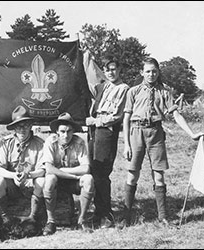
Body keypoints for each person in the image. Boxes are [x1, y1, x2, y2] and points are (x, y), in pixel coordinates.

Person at [122, 57, 204, 227]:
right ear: (142, 72)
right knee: (132, 174)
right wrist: (126, 144)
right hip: (136, 132)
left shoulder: (165, 92)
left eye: (154, 71)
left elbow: (176, 115)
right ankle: (126, 216)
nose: (151, 74)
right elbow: (126, 118)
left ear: (158, 72)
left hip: (156, 133)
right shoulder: (133, 91)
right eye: (147, 71)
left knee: (158, 175)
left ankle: (163, 217)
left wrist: (192, 134)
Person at [85, 56, 129, 228]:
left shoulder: (124, 89)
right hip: (93, 130)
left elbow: (117, 115)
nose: (111, 72)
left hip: (106, 130)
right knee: (94, 171)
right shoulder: (103, 87)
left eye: (114, 69)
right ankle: (97, 212)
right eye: (107, 69)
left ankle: (106, 214)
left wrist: (96, 122)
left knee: (102, 173)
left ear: (119, 70)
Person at [41, 112, 95, 235]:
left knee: (88, 179)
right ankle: (51, 221)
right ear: (57, 132)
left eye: (69, 131)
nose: (66, 135)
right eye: (62, 131)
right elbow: (49, 168)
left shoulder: (79, 142)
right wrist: (73, 175)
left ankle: (81, 220)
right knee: (49, 179)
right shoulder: (50, 142)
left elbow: (86, 168)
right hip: (59, 180)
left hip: (73, 182)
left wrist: (62, 171)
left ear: (73, 131)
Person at [0, 105, 45, 221]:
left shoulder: (40, 144)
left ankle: (33, 217)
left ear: (31, 126)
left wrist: (29, 175)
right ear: (14, 128)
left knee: (42, 181)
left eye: (25, 125)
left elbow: (43, 170)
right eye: (18, 126)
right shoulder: (6, 143)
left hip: (30, 183)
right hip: (11, 183)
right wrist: (13, 175)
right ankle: (4, 216)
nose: (22, 129)